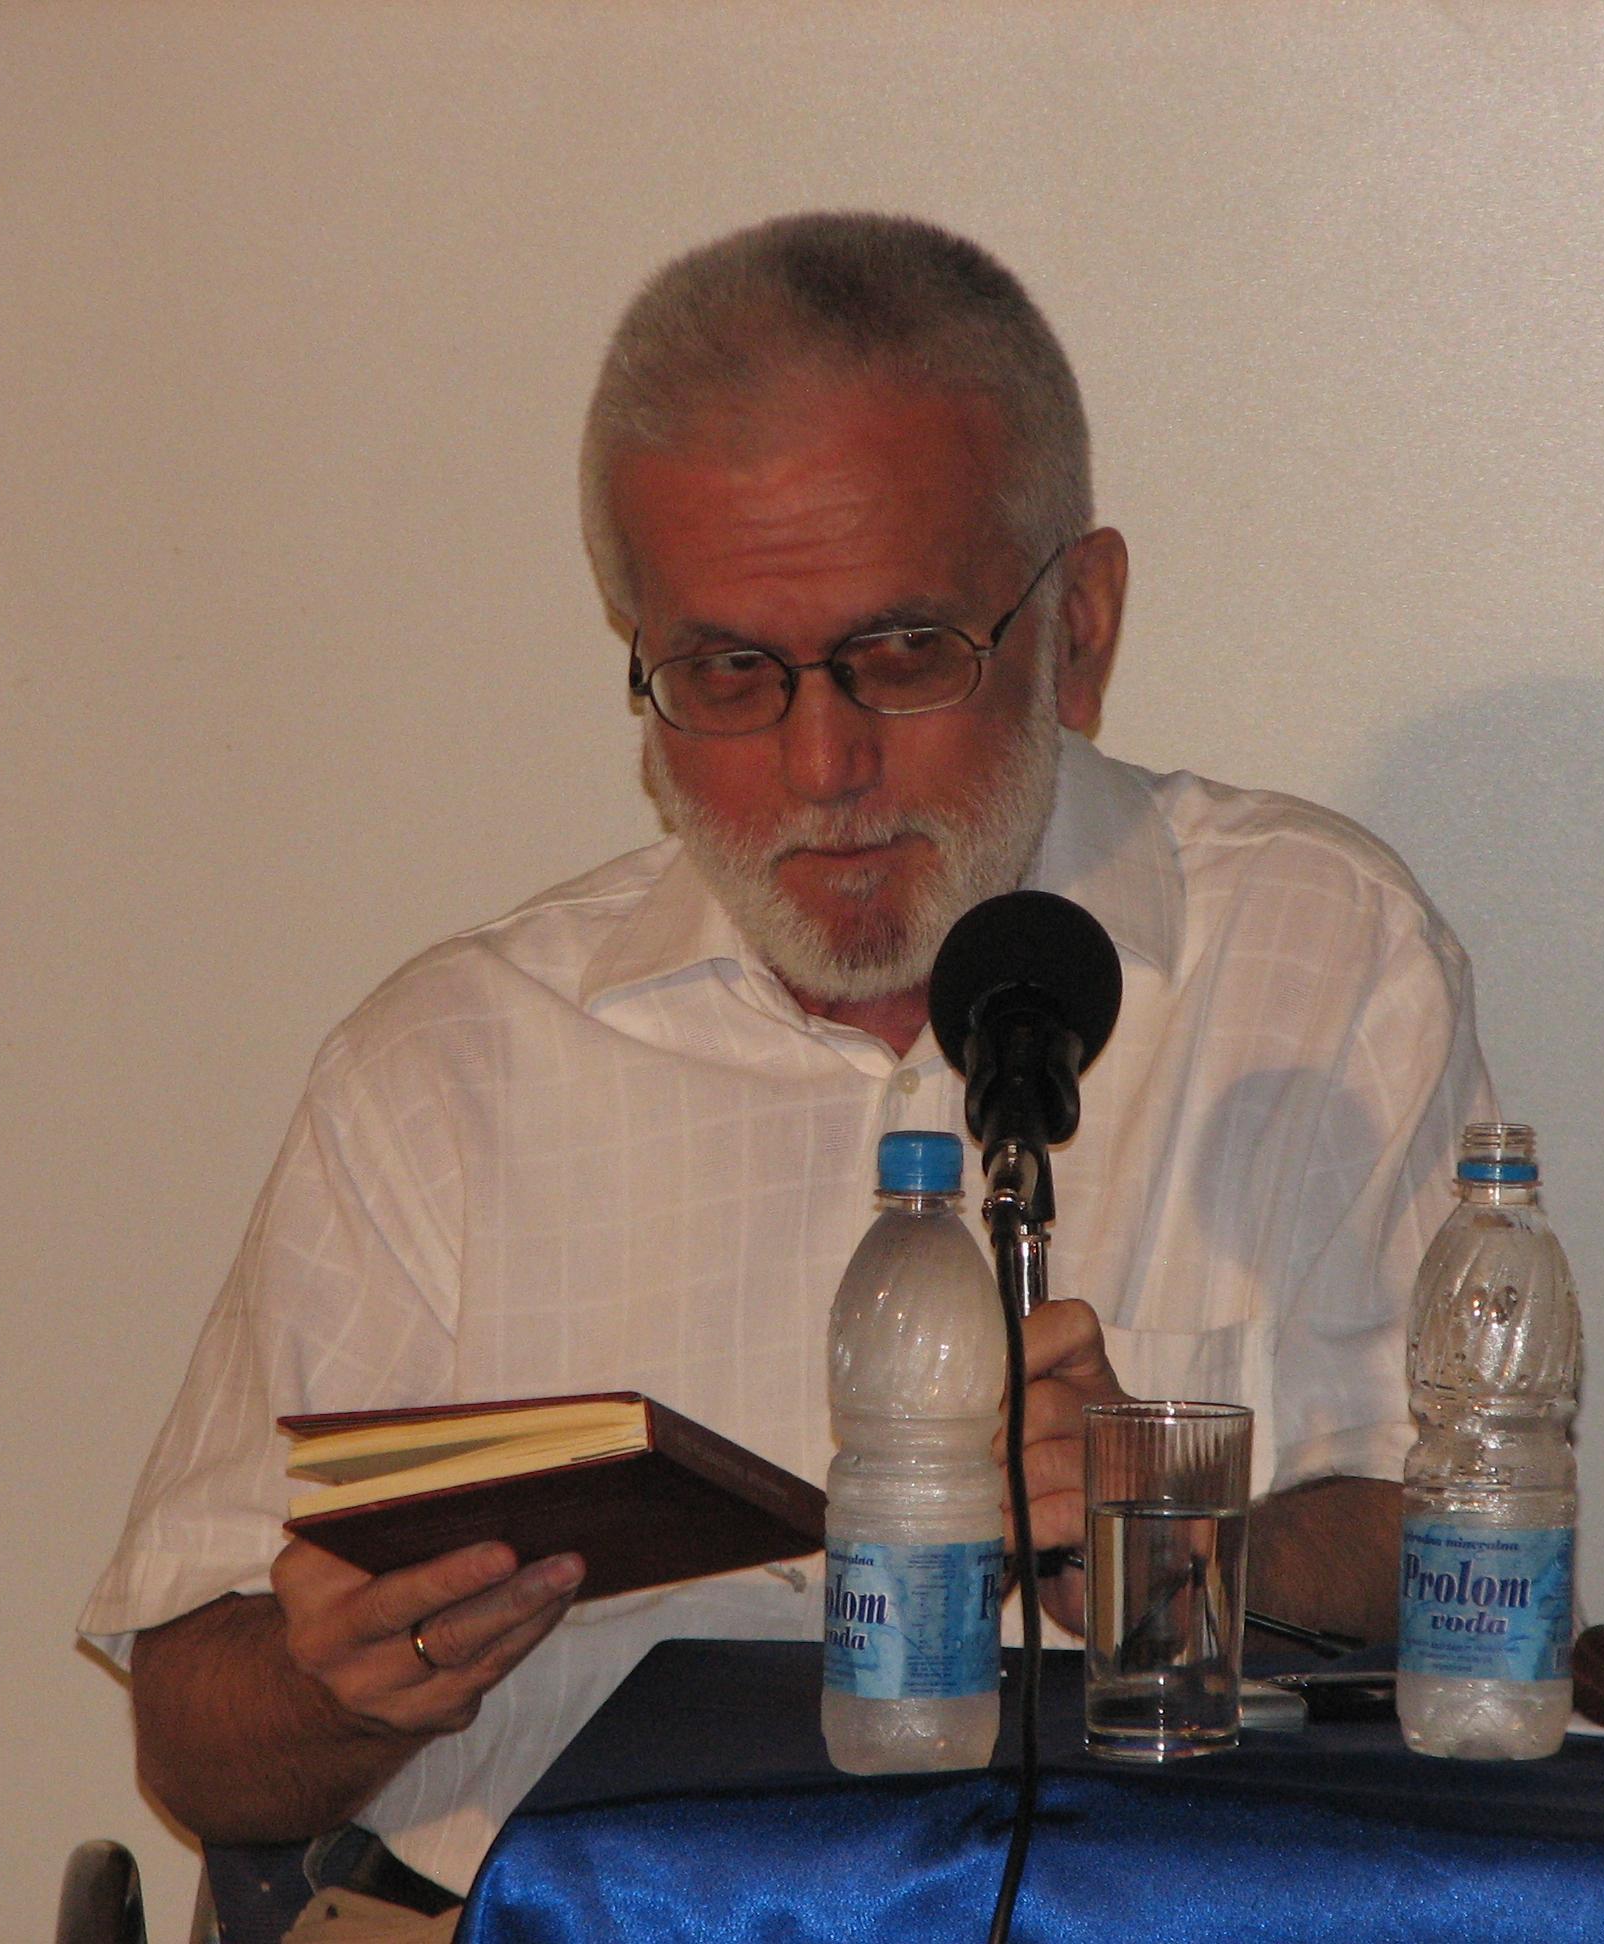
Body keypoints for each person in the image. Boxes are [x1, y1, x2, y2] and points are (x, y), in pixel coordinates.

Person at [81, 211, 1494, 1935]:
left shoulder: (1315, 961)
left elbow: (1471, 1560)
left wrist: (1175, 1543)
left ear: (1081, 625)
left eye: (903, 656)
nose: (824, 764)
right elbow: (196, 1738)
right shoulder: (448, 1068)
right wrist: (341, 1684)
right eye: (728, 674)